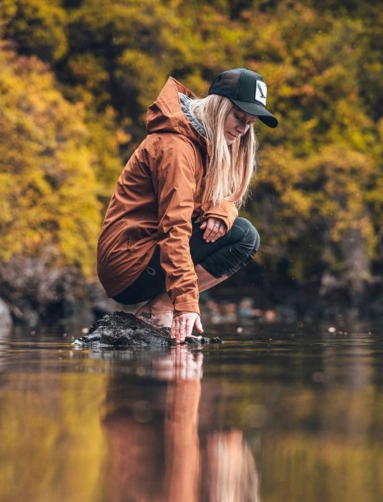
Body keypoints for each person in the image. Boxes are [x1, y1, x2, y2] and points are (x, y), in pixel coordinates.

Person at [97, 68, 278, 343]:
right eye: (238, 117)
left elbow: (207, 201)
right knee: (244, 237)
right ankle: (160, 307)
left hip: (144, 257)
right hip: (129, 264)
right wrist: (184, 304)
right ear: (217, 108)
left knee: (243, 234)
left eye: (250, 123)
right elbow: (175, 229)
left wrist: (222, 210)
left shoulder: (201, 142)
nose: (243, 129)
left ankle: (160, 305)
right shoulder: (177, 147)